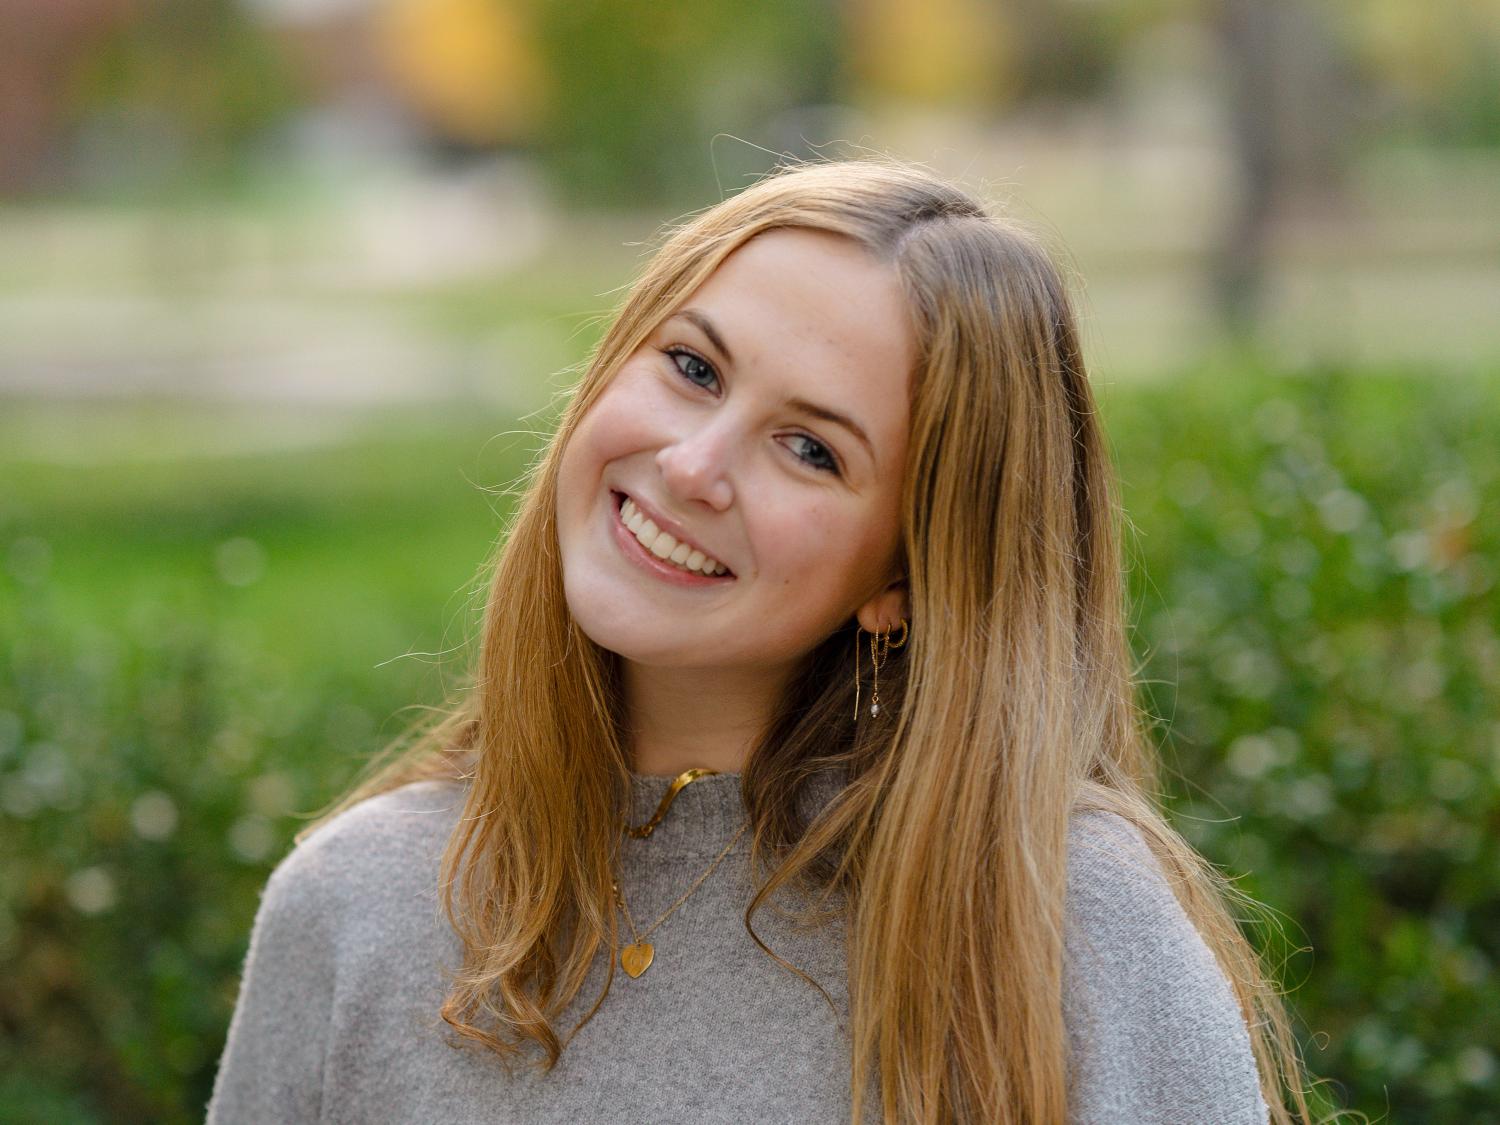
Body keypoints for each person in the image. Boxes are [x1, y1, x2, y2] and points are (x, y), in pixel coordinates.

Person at [208, 159, 1313, 1123]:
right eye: (692, 367)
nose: (692, 466)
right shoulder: (353, 906)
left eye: (809, 448)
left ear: (906, 577)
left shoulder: (1069, 928)